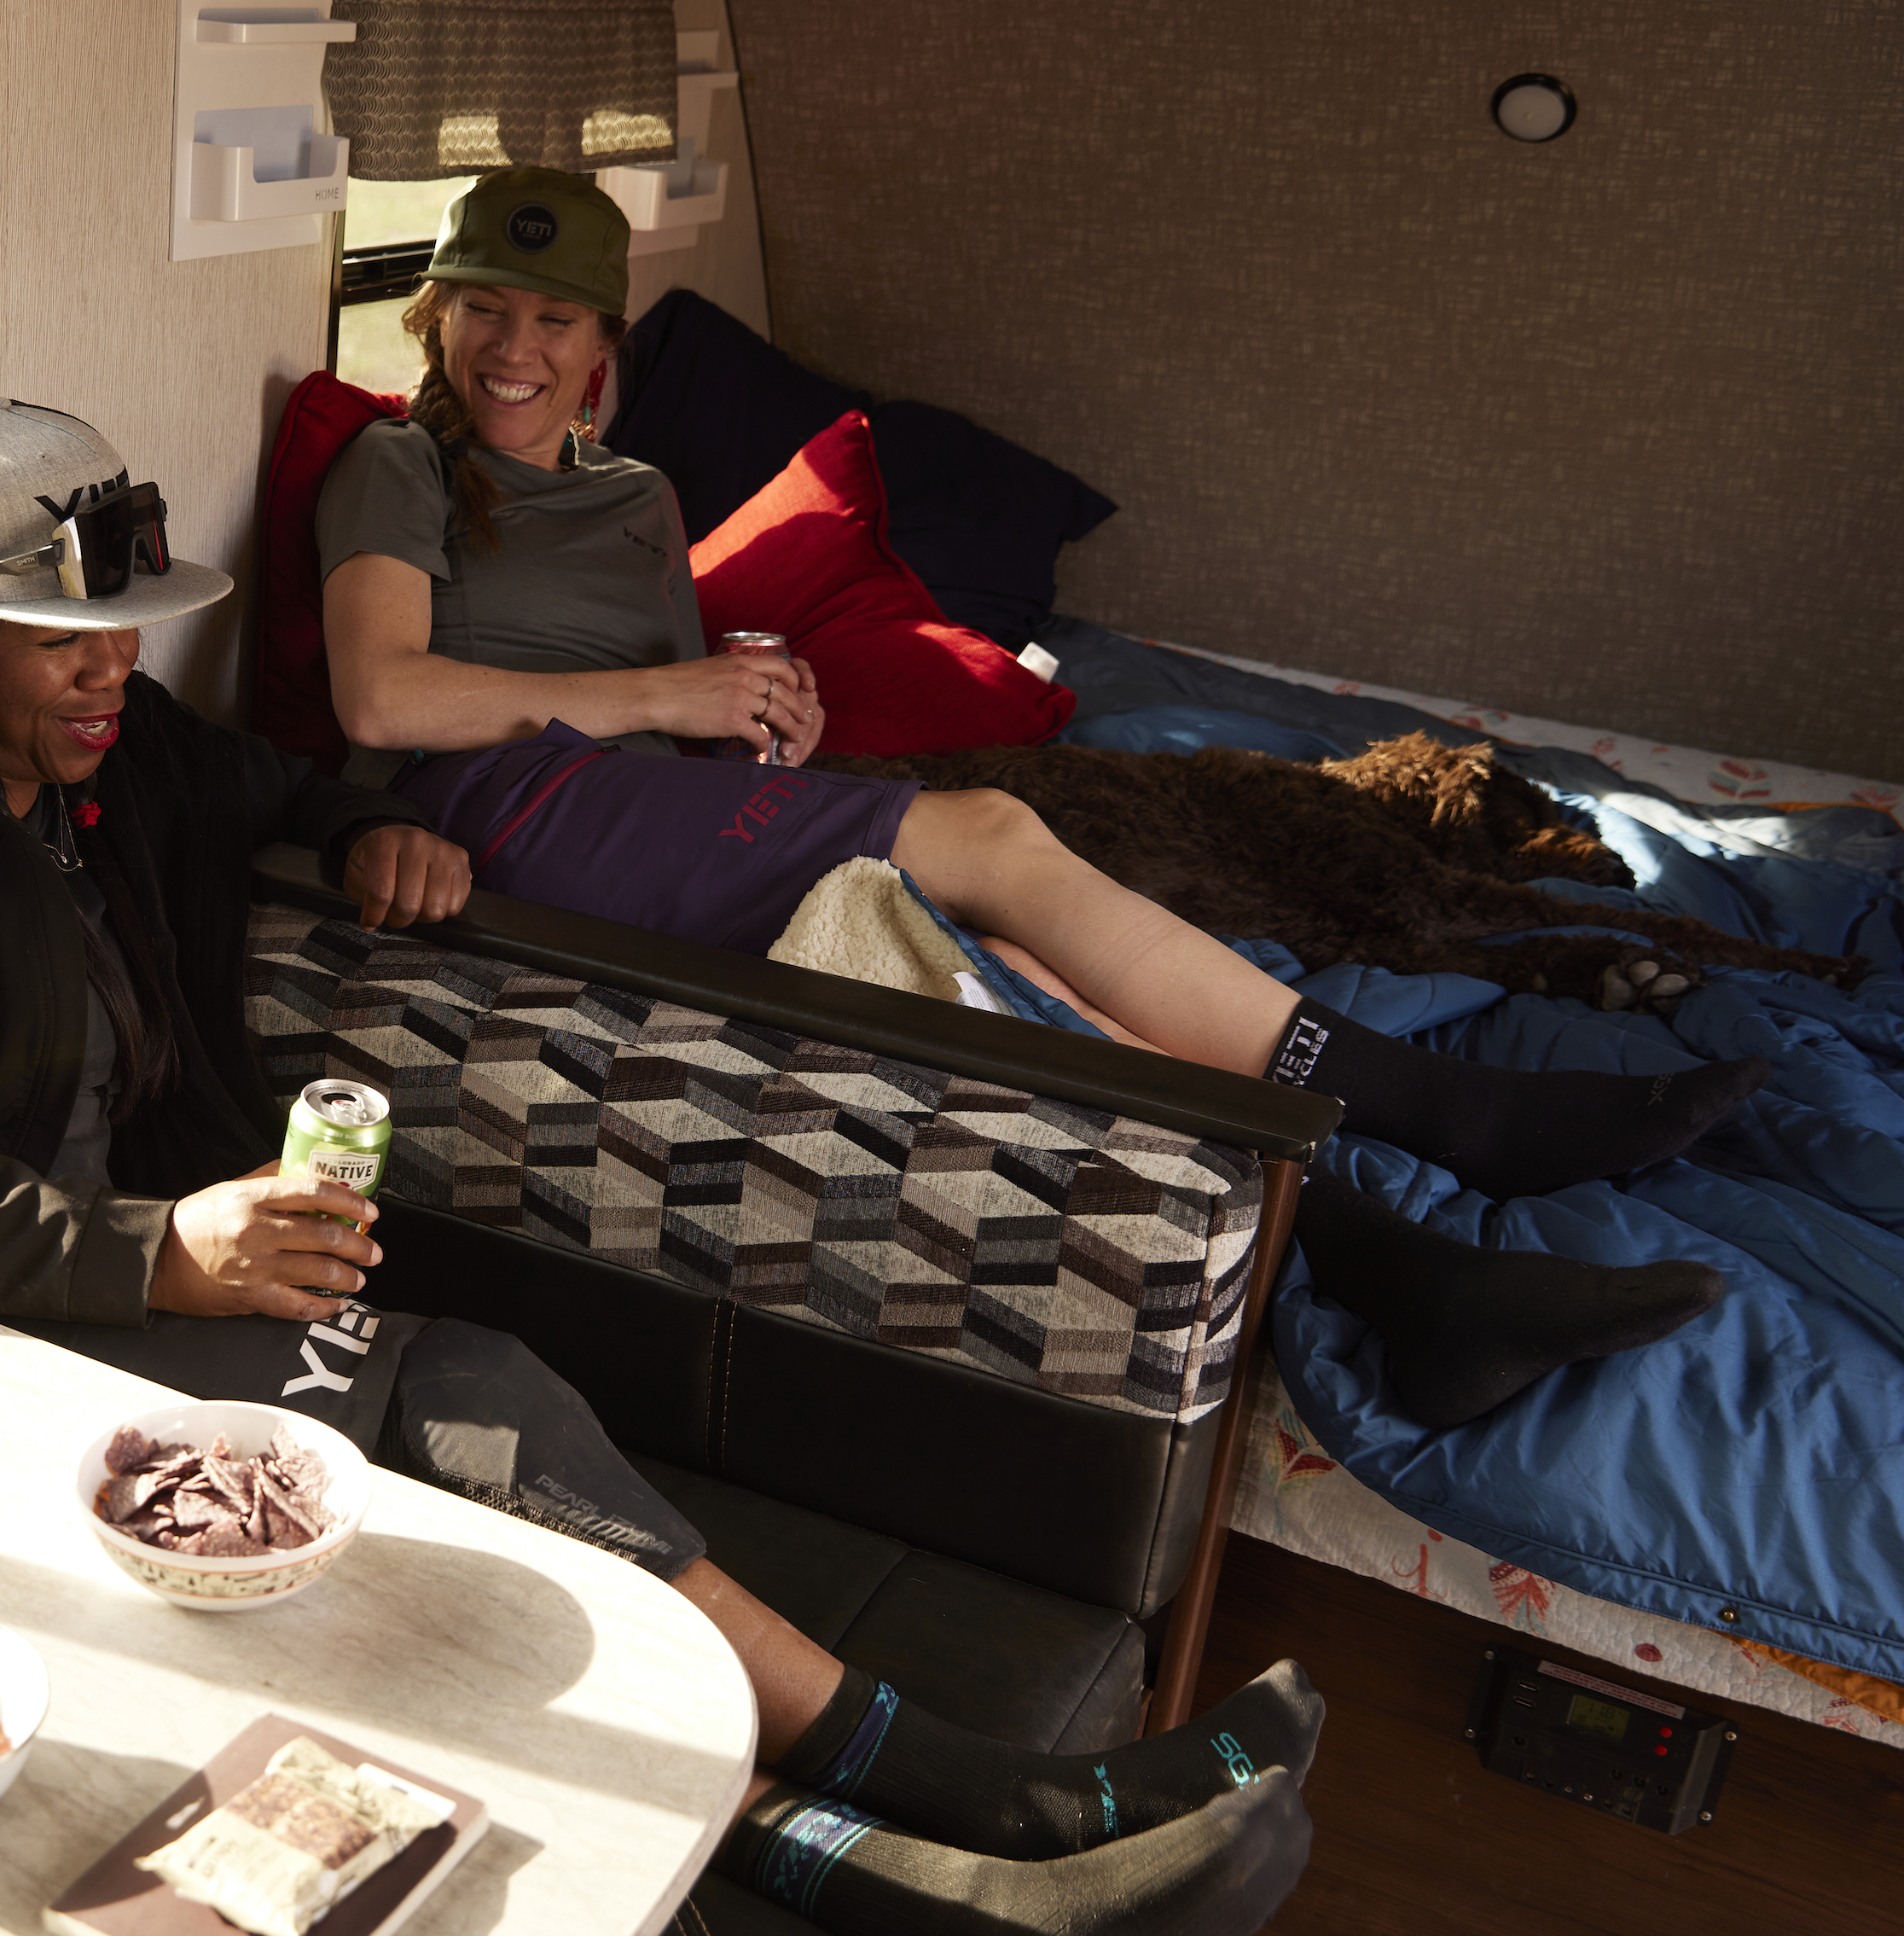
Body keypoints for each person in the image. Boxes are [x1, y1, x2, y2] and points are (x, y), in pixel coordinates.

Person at [0, 395, 1315, 1936]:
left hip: (97, 1301)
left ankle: (952, 1883)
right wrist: (152, 1248)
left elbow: (283, 786)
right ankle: (982, 1819)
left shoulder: (101, 750)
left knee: (453, 1483)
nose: (110, 669)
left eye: (124, 631)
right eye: (61, 635)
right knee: (470, 1403)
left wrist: (363, 829)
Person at [319, 167, 1749, 1429]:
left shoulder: (638, 496)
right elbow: (380, 699)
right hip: (503, 807)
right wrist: (655, 701)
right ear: (435, 317)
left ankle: (1410, 1279)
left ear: (600, 346)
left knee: (994, 973)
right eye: (485, 309)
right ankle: (1461, 1115)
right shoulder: (397, 462)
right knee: (994, 832)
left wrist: (760, 712)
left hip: (635, 818)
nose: (516, 348)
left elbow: (679, 719)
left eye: (553, 318)